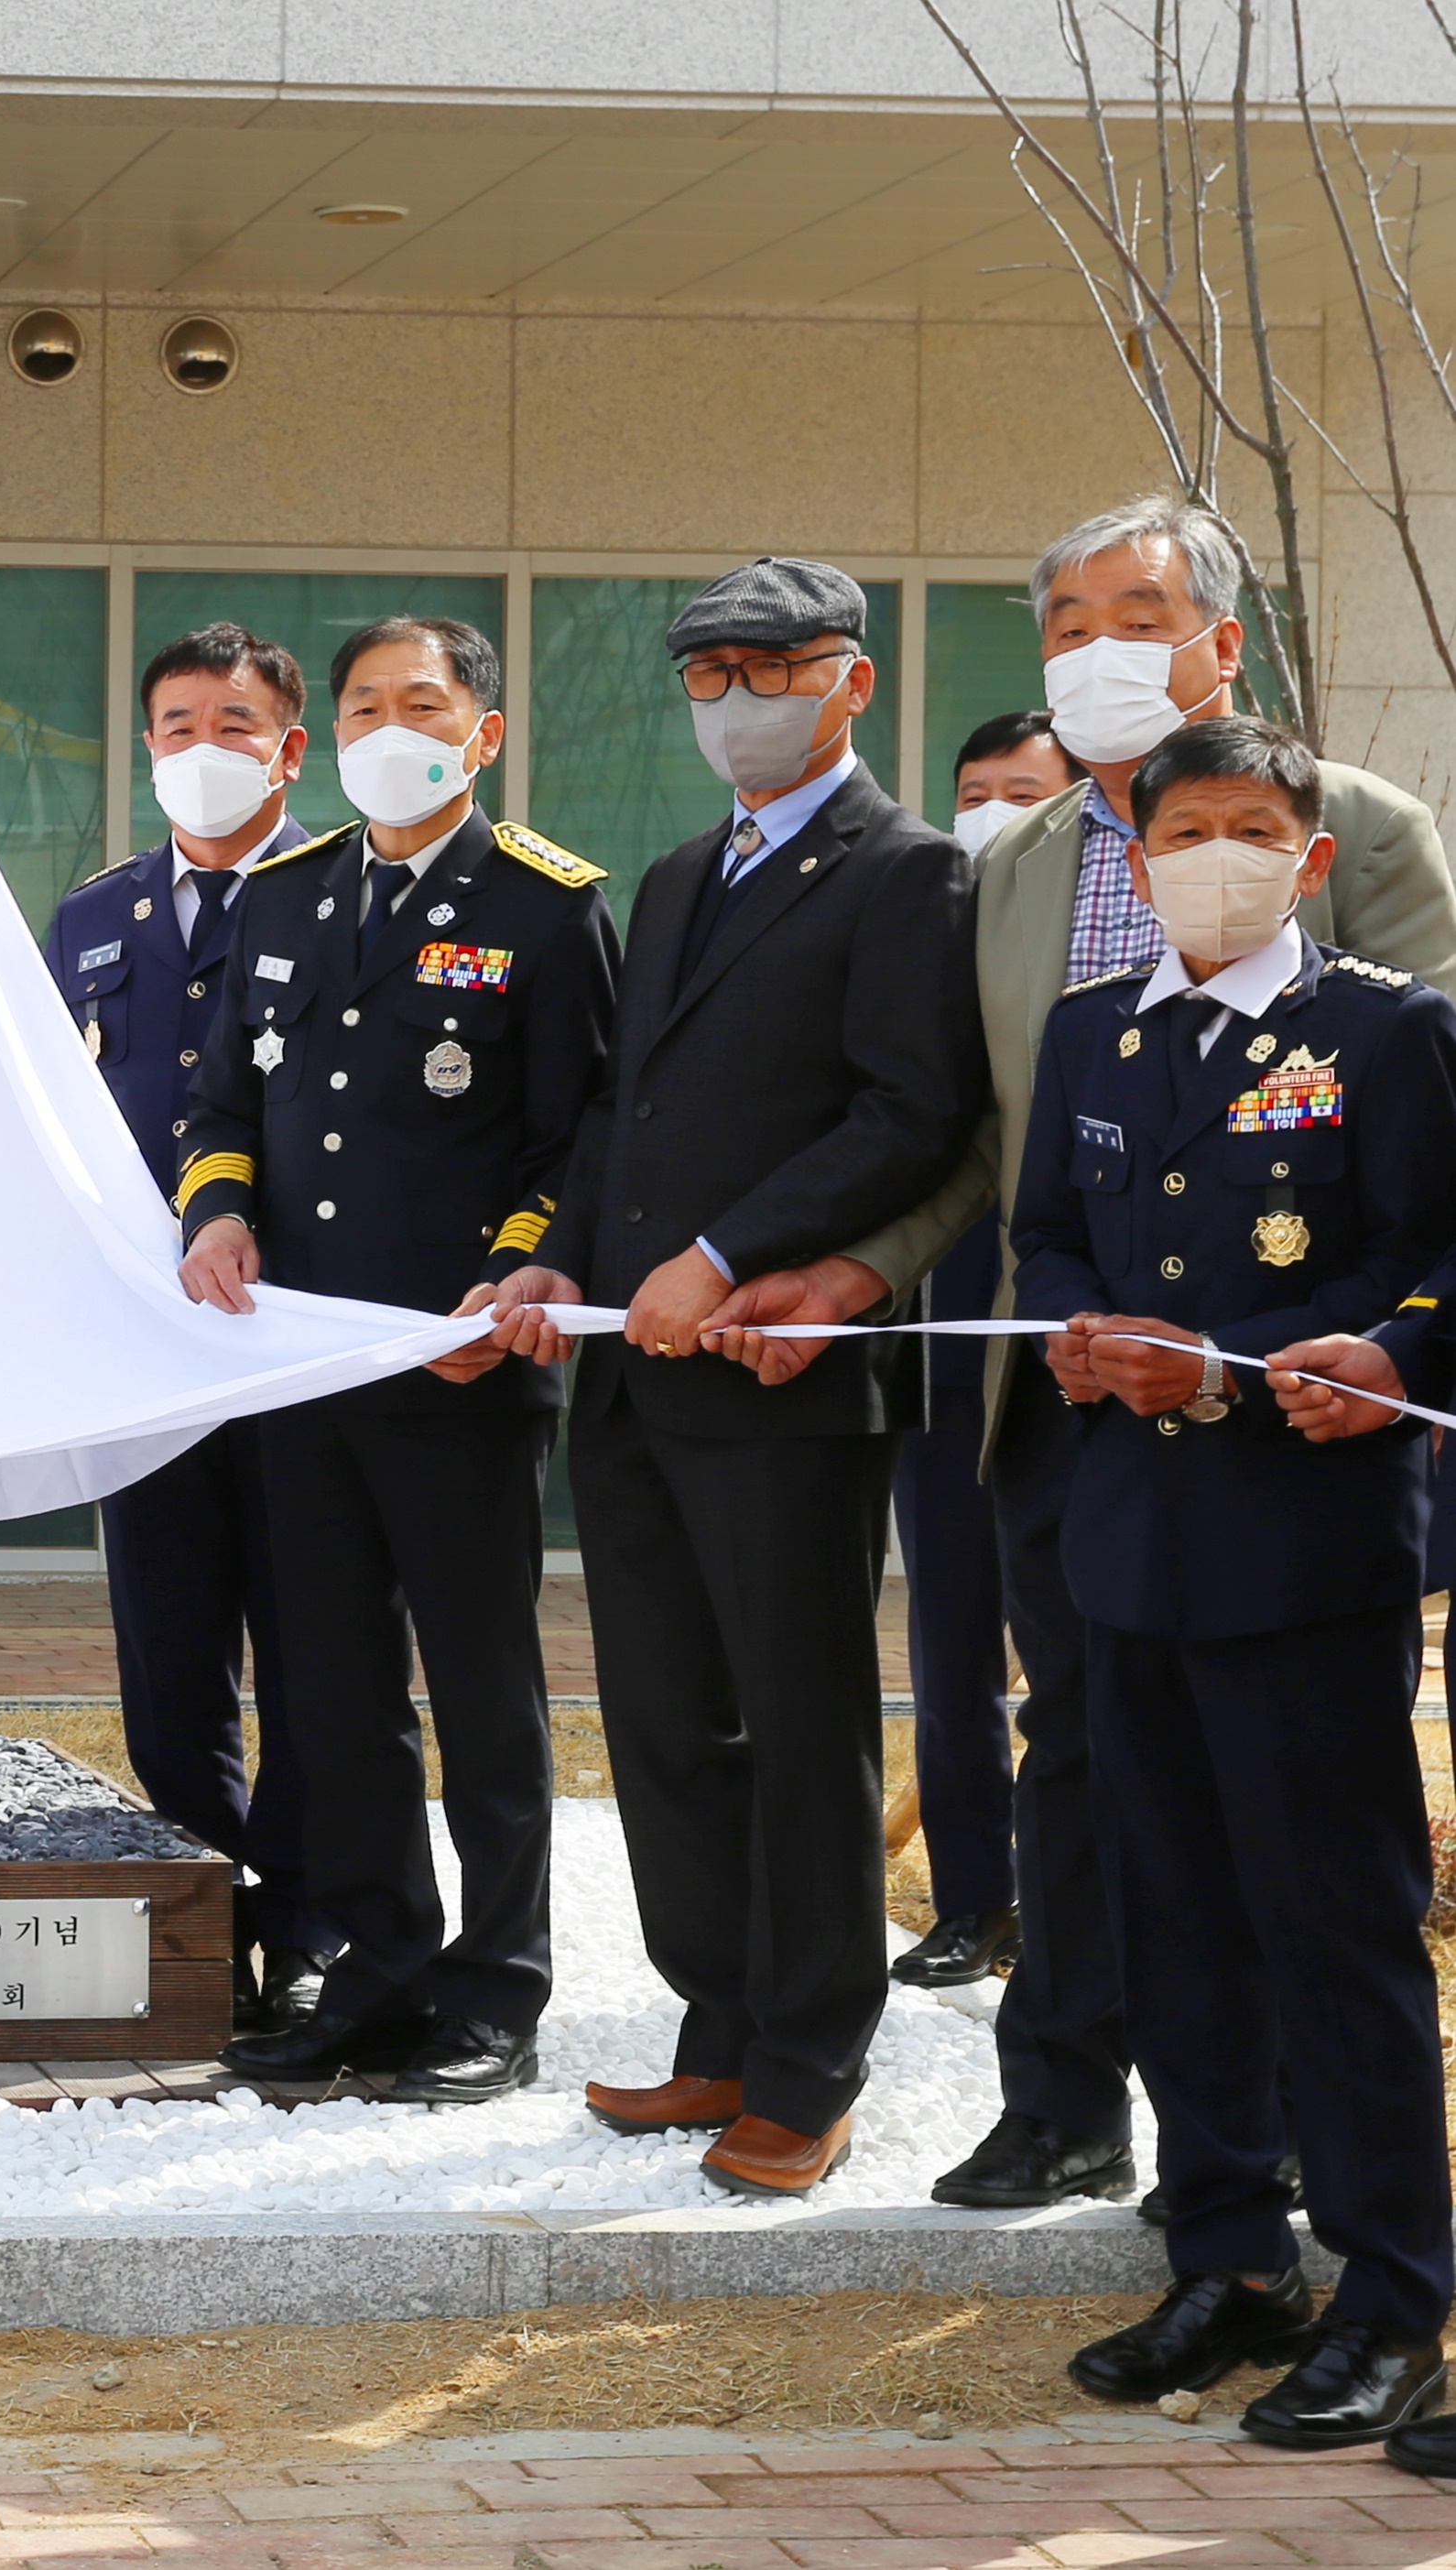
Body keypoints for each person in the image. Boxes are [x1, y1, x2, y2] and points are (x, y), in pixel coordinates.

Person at [712, 494, 1456, 2216]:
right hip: (1070, 1397)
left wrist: (1313, 1349)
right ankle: (1067, 2097)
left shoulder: (1354, 827)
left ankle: (1302, 2148)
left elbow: (1422, 1126)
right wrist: (851, 1270)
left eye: (1138, 615)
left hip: (1291, 1413)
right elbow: (987, 1139)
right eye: (1066, 625)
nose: (1096, 650)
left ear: (1221, 641)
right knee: (1082, 1756)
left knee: (1281, 1797)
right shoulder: (1020, 859)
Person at [483, 557, 984, 2197]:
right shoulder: (683, 870)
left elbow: (910, 1111)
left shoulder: (909, 872)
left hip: (782, 1379)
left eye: (772, 669)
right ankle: (719, 2022)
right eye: (708, 675)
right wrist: (561, 1258)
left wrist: (724, 1249)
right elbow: (617, 1110)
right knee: (665, 1721)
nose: (737, 702)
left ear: (850, 679)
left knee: (800, 1719)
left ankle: (812, 2062)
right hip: (638, 1371)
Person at [1009, 714, 1454, 2449]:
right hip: (1130, 1546)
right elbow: (1048, 1232)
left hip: (1304, 1547)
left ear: (1311, 855)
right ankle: (1230, 2254)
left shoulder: (1385, 1029)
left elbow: (1429, 1254)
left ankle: (1393, 2293)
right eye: (1184, 828)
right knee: (1172, 1915)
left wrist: (1302, 1354)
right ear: (1136, 861)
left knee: (1332, 1927)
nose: (1219, 855)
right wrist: (1075, 1326)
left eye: (1253, 828)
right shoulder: (1092, 1031)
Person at [177, 615, 617, 2106]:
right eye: (362, 706)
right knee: (332, 1688)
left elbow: (580, 1136)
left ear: (481, 733)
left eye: (419, 705)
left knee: (484, 1692)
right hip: (305, 1367)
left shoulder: (548, 906)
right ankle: (376, 1975)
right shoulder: (285, 894)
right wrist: (220, 1211)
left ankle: (497, 1990)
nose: (386, 730)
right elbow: (220, 1099)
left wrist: (513, 1272)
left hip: (459, 1366)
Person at [41, 621, 330, 2031]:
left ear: (290, 748)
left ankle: (310, 1924)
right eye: (177, 726)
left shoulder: (348, 896)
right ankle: (212, 1912)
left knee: (314, 1646)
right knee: (168, 1656)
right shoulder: (94, 917)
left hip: (296, 1340)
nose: (202, 750)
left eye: (234, 724)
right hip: (148, 1352)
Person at [891, 710, 1087, 1992]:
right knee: (949, 1640)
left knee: (1070, 1644)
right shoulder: (919, 941)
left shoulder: (1091, 946)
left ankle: (1083, 1900)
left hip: (1066, 1339)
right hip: (940, 1341)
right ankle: (977, 1898)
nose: (991, 813)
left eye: (1023, 791)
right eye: (974, 790)